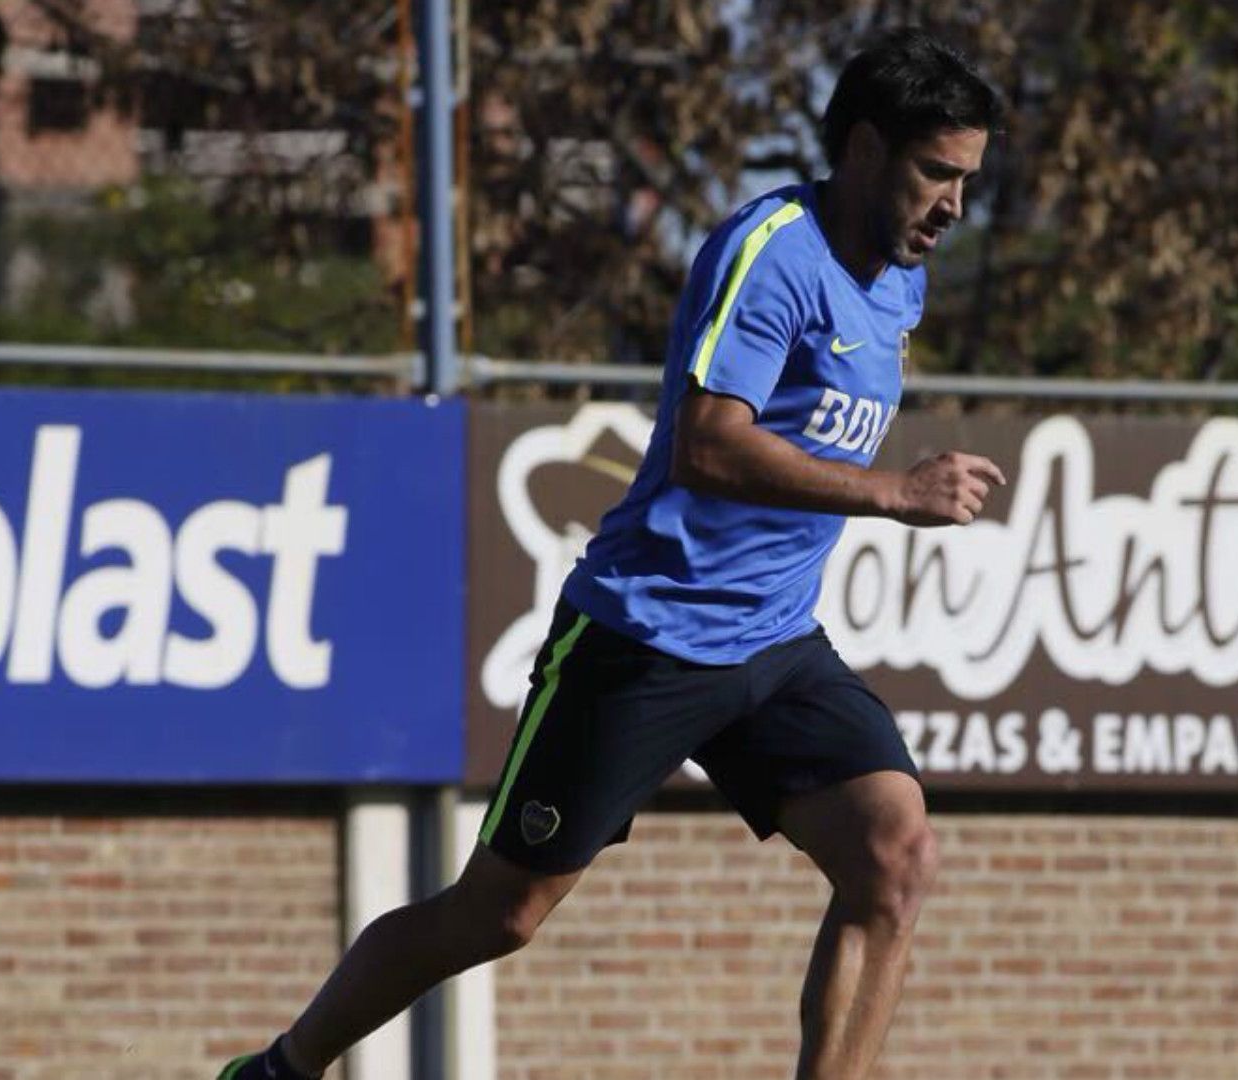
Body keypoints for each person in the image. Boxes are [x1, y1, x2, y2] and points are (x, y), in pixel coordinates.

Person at [220, 28, 1005, 1080]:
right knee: (500, 916)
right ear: (864, 147)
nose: (954, 204)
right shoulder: (773, 252)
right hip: (646, 635)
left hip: (773, 644)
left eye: (967, 179)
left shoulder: (899, 277)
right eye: (936, 173)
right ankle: (280, 1068)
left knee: (894, 856)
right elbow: (709, 443)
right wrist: (892, 492)